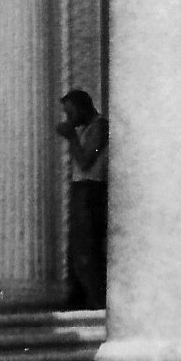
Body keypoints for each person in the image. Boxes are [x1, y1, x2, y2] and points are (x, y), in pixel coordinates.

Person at [58, 86, 108, 310]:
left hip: (92, 190)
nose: (69, 118)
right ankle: (80, 298)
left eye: (71, 112)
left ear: (82, 108)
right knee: (76, 249)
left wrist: (71, 138)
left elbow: (86, 161)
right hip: (82, 190)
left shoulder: (100, 127)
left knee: (87, 247)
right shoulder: (87, 129)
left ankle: (96, 300)